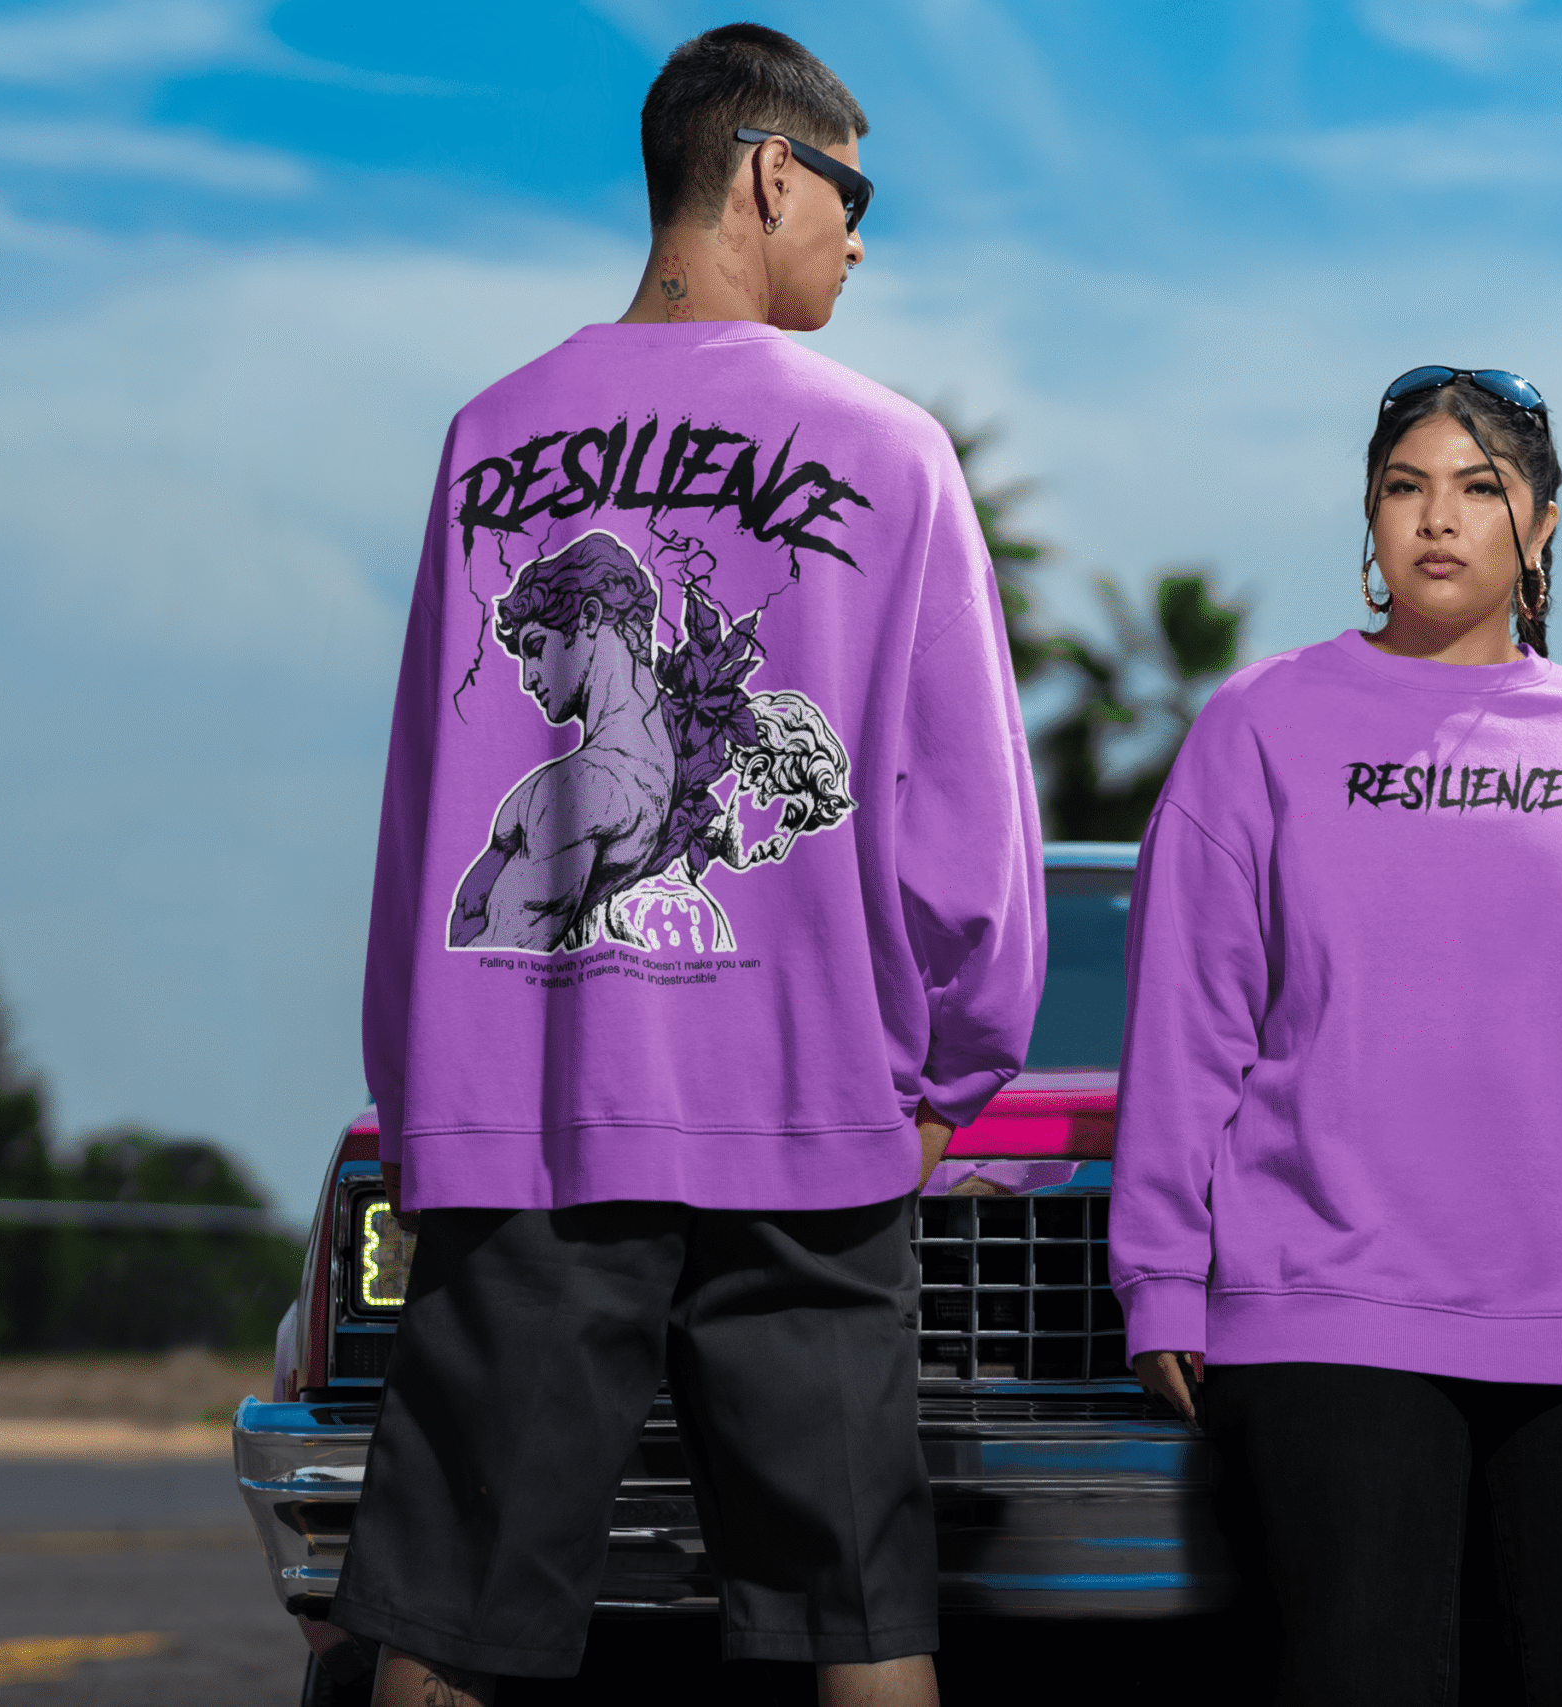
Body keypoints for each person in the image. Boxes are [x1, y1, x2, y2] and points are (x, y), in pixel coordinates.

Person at [335, 24, 1043, 1707]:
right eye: (851, 193)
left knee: (445, 1620)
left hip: (528, 1107)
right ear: (769, 172)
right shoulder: (894, 451)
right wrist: (958, 1061)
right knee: (861, 1618)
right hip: (808, 1114)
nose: (859, 239)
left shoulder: (483, 438)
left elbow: (427, 791)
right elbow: (966, 809)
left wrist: (429, 1082)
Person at [1107, 367, 1562, 1704]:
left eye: (1479, 488)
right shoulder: (1257, 731)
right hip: (1335, 1321)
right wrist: (1160, 1266)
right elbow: (1188, 1015)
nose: (1437, 520)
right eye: (1403, 486)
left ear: (1540, 525)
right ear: (1369, 520)